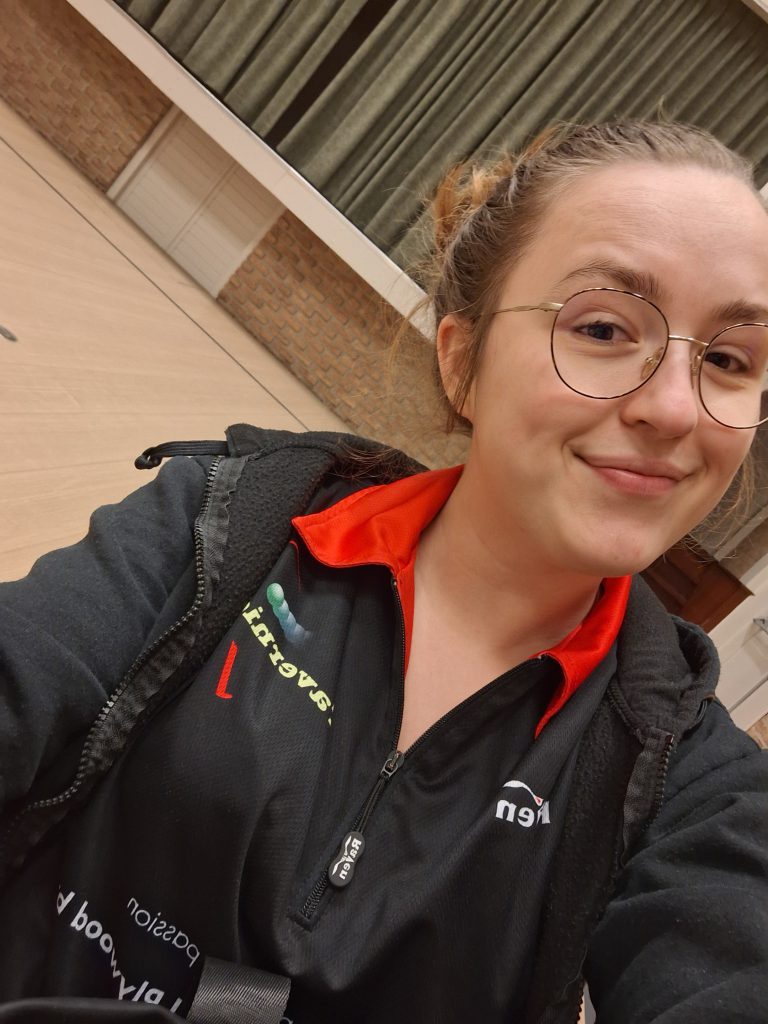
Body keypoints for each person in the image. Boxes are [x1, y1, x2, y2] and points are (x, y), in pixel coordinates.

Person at [0, 120, 766, 1024]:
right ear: (462, 360)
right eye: (603, 328)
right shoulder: (227, 527)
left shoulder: (683, 777)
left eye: (728, 360)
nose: (675, 410)